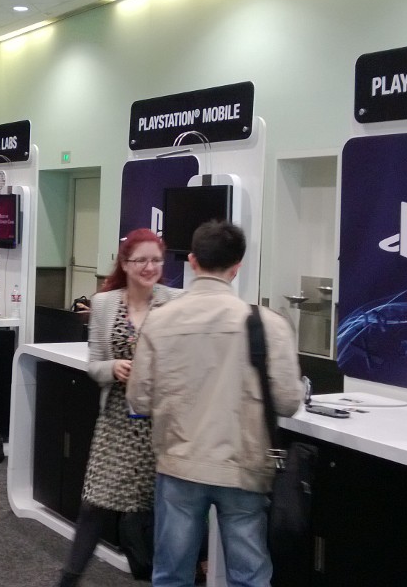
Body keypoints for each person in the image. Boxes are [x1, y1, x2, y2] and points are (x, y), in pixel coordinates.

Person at [127, 220, 304, 587]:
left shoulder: (159, 320)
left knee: (172, 574)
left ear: (192, 261)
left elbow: (139, 398)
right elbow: (288, 402)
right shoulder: (268, 324)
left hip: (178, 464)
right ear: (236, 267)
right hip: (244, 466)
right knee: (249, 576)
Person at [56, 228, 181, 586]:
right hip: (117, 420)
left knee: (160, 508)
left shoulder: (175, 302)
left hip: (162, 423)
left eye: (156, 260)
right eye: (141, 260)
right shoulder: (105, 303)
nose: (150, 267)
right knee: (95, 502)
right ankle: (68, 580)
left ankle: (160, 575)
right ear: (125, 263)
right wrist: (113, 368)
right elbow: (94, 365)